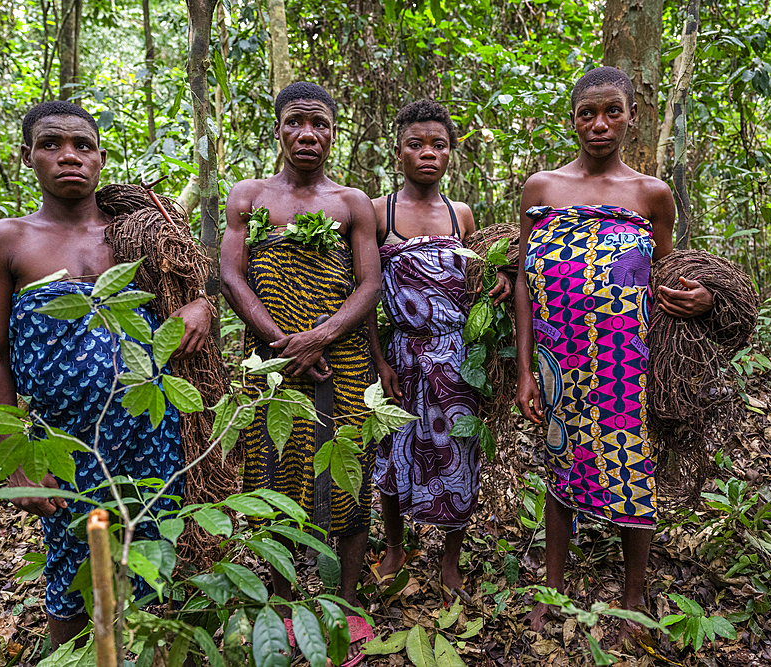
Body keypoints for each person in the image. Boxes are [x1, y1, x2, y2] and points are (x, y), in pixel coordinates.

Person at [0, 101, 214, 646]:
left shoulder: (140, 234)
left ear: (101, 157)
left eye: (82, 145)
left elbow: (188, 295)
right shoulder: (4, 240)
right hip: (66, 444)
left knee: (153, 560)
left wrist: (201, 307)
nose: (69, 156)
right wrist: (19, 460)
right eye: (51, 144)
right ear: (27, 156)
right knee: (74, 572)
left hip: (153, 433)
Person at [513, 67, 713, 636]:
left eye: (612, 112)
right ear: (571, 119)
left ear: (631, 116)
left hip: (627, 362)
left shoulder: (651, 194)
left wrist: (701, 296)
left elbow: (667, 272)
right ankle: (551, 592)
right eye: (587, 113)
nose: (599, 125)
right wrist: (526, 369)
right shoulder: (541, 189)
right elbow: (524, 283)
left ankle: (633, 599)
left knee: (633, 471)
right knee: (559, 465)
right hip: (559, 358)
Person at [220, 82, 381, 664]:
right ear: (279, 130)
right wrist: (281, 343)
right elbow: (232, 278)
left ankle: (346, 605)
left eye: (319, 124)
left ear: (334, 132)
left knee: (348, 475)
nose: (307, 134)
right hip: (272, 363)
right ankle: (285, 604)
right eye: (295, 123)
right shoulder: (248, 195)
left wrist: (321, 336)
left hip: (342, 360)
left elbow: (369, 284)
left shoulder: (352, 202)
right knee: (276, 477)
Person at [365, 100, 512, 595]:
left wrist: (500, 284)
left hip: (458, 359)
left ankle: (449, 558)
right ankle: (394, 547)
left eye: (439, 145)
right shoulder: (376, 211)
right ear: (399, 151)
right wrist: (380, 359)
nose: (428, 153)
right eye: (416, 144)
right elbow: (364, 291)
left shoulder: (460, 213)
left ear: (450, 154)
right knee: (394, 450)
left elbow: (479, 278)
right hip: (403, 355)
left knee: (459, 454)